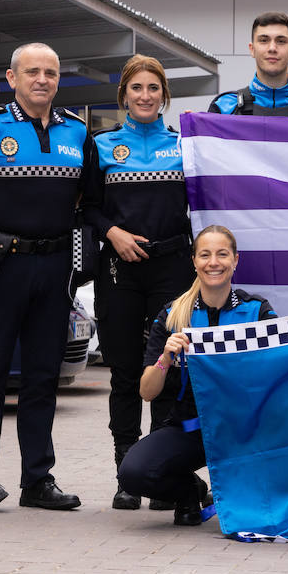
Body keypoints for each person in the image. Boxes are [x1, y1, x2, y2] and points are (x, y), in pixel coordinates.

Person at [0, 42, 93, 512]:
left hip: (54, 269)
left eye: (50, 72)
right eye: (32, 72)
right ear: (12, 77)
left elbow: (88, 202)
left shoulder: (78, 132)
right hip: (0, 271)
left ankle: (37, 481)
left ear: (58, 79)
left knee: (44, 378)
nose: (42, 79)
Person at [83, 54, 194, 510]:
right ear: (123, 96)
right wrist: (113, 232)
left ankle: (159, 473)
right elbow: (87, 206)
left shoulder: (186, 145)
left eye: (153, 88)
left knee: (166, 374)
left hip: (172, 269)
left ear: (164, 94)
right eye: (136, 88)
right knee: (126, 374)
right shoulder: (102, 145)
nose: (145, 96)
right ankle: (128, 475)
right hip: (120, 272)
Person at [119, 225, 277, 526]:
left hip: (244, 430)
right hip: (191, 428)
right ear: (194, 261)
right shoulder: (172, 314)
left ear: (235, 260)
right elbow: (147, 392)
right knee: (133, 473)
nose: (213, 262)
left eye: (222, 254)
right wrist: (166, 357)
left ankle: (244, 487)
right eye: (205, 255)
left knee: (258, 510)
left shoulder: (257, 312)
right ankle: (190, 490)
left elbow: (283, 366)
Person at [208, 12, 288, 118]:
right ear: (252, 49)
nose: (272, 48)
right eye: (264, 40)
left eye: (281, 41)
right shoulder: (224, 108)